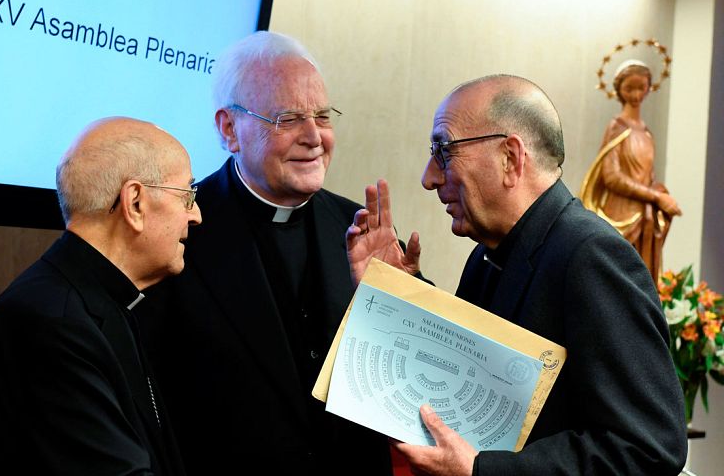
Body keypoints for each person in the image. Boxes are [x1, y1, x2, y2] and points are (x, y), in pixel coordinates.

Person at [347, 75, 687, 475]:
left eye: (444, 151)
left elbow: (646, 447)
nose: (430, 178)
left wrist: (483, 471)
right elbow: (466, 380)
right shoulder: (488, 255)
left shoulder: (590, 255)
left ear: (510, 157)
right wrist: (400, 293)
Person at [137, 31, 415, 475]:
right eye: (288, 118)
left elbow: (415, 377)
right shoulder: (177, 230)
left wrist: (401, 300)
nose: (314, 137)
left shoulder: (363, 228)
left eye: (322, 116)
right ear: (230, 129)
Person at [0, 117, 202, 475]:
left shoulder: (97, 300)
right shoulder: (52, 324)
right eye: (188, 195)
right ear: (135, 203)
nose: (196, 215)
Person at [580, 60, 681, 283]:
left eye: (641, 87)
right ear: (619, 90)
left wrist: (660, 195)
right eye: (629, 88)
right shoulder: (617, 127)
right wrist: (657, 197)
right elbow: (612, 177)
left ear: (648, 87)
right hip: (619, 215)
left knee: (641, 281)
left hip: (644, 218)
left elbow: (648, 176)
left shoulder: (646, 133)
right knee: (617, 278)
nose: (635, 94)